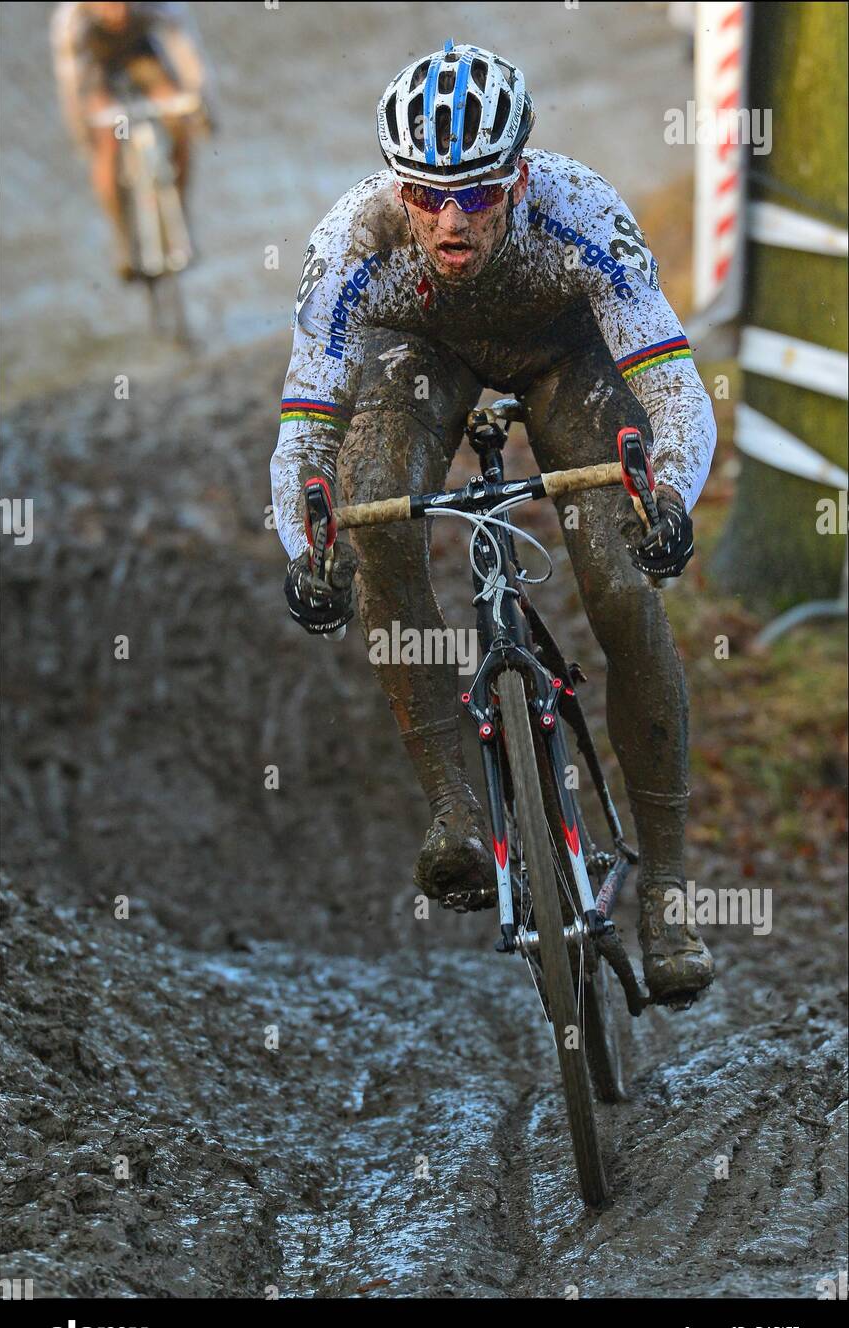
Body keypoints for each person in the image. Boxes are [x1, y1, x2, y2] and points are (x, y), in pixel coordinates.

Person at [271, 41, 716, 1004]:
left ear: (520, 174)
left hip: (566, 360)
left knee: (617, 571)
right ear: (398, 187)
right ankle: (455, 815)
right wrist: (306, 548)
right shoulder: (354, 240)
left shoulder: (583, 212)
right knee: (373, 511)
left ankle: (670, 887)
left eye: (477, 191)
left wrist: (670, 494)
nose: (451, 218)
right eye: (426, 195)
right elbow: (305, 428)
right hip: (420, 356)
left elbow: (673, 386)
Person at [51, 1, 214, 276]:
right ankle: (122, 239)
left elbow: (187, 53)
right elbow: (71, 85)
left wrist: (201, 108)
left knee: (178, 121)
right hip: (97, 70)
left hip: (142, 59)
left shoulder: (157, 6)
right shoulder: (72, 18)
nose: (117, 14)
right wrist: (82, 133)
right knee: (108, 140)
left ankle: (179, 217)